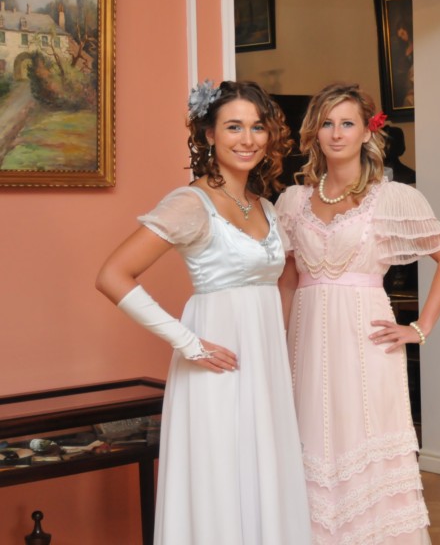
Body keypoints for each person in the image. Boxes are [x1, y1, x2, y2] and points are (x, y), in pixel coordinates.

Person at [95, 80, 312, 544]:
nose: (247, 139)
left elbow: (282, 286)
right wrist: (188, 343)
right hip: (216, 363)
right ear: (209, 134)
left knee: (263, 471)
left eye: (257, 127)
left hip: (265, 365)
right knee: (220, 474)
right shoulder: (190, 203)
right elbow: (112, 275)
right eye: (234, 127)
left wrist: (281, 350)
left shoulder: (266, 207)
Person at [275, 83, 440, 544]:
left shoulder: (391, 197)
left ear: (366, 132)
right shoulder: (292, 201)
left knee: (365, 439)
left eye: (347, 123)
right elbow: (288, 280)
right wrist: (277, 343)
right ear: (314, 132)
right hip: (305, 344)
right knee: (310, 442)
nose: (336, 133)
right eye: (327, 123)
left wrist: (420, 328)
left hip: (366, 343)